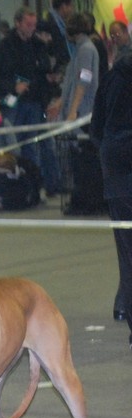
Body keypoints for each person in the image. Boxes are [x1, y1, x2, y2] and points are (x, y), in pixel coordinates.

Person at [0, 6, 61, 196]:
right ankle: (24, 188)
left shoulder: (38, 45)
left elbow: (44, 68)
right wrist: (13, 86)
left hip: (36, 102)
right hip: (14, 104)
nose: (32, 28)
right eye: (28, 24)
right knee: (17, 148)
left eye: (34, 25)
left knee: (43, 145)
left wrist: (50, 78)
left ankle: (48, 186)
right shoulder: (3, 47)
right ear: (18, 23)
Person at [91, 52, 132, 343]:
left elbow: (96, 127)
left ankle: (126, 309)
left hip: (116, 167)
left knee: (127, 248)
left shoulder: (113, 75)